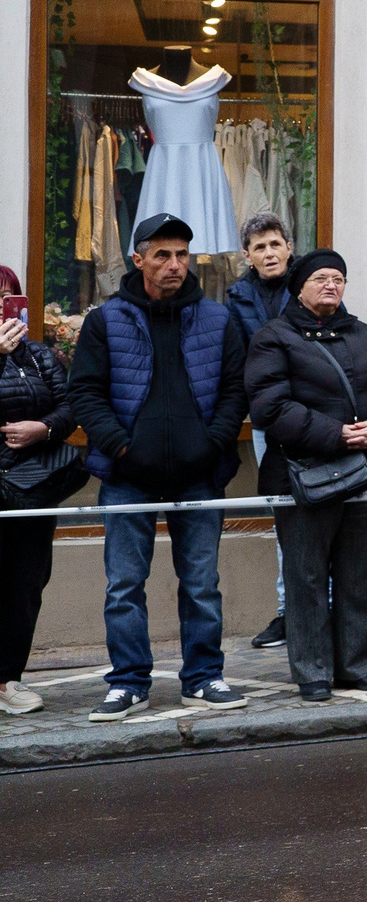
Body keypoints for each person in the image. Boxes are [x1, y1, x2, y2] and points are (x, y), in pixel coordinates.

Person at [67, 213, 249, 720]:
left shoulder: (218, 319)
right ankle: (128, 683)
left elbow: (236, 391)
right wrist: (122, 448)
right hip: (128, 477)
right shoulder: (106, 321)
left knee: (202, 584)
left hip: (199, 475)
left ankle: (204, 678)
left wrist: (212, 445)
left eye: (182, 255)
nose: (175, 264)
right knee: (124, 585)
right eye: (163, 255)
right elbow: (85, 393)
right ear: (138, 259)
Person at [246, 250, 367, 703]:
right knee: (306, 577)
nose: (331, 285)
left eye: (338, 278)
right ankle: (313, 670)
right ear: (298, 287)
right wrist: (335, 434)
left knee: (361, 575)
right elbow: (269, 406)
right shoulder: (273, 338)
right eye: (321, 278)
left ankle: (359, 665)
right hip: (304, 476)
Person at [223, 211, 299, 650]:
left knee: (324, 513)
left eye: (275, 244)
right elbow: (236, 363)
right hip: (268, 421)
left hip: (316, 418)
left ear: (289, 247)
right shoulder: (237, 299)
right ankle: (290, 612)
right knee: (283, 515)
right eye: (259, 247)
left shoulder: (312, 282)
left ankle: (324, 609)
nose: (269, 253)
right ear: (247, 256)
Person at [0, 306, 76, 715]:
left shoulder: (37, 355)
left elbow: (69, 406)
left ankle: (7, 679)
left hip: (32, 485)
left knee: (26, 582)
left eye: (6, 297)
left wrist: (43, 429)